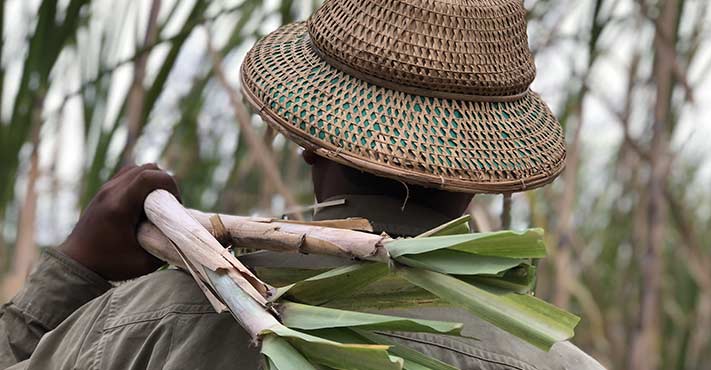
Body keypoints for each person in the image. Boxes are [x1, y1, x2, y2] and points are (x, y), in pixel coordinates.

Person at [1, 0, 607, 368]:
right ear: (483, 171)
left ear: (307, 141)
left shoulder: (139, 327)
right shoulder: (557, 363)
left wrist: (75, 269)